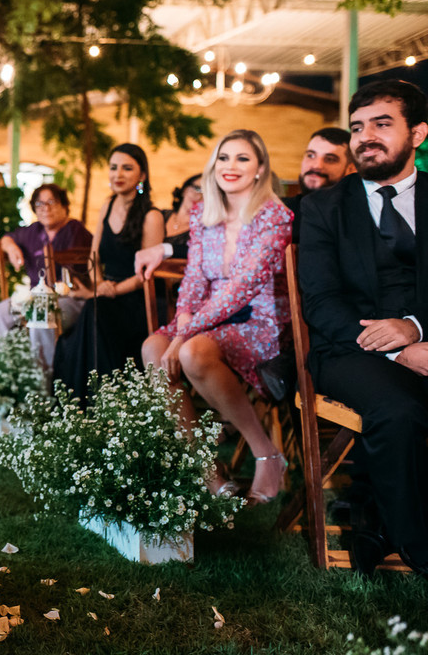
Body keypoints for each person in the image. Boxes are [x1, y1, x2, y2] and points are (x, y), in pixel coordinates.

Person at [299, 80, 428, 577]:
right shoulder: (323, 207)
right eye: (357, 127)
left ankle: (373, 518)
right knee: (399, 409)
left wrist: (415, 329)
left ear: (417, 133)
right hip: (346, 349)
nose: (365, 136)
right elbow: (322, 301)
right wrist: (397, 352)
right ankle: (417, 544)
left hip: (422, 338)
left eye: (381, 124)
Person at [142, 130, 293, 505]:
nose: (231, 166)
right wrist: (181, 323)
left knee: (190, 352)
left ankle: (267, 454)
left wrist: (184, 333)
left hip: (260, 320)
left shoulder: (275, 217)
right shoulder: (203, 214)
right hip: (209, 319)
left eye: (243, 158)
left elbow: (242, 289)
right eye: (224, 158)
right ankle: (204, 467)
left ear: (260, 169)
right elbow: (194, 278)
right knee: (152, 349)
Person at [52, 143, 165, 405]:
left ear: (142, 176)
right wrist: (99, 283)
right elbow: (94, 256)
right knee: (95, 308)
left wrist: (112, 290)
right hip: (105, 296)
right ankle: (86, 402)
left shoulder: (151, 216)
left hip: (137, 299)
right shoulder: (108, 205)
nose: (118, 174)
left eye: (127, 168)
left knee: (96, 308)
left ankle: (100, 401)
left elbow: (146, 274)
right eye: (113, 167)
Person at [0, 183, 92, 372]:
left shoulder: (75, 230)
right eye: (39, 204)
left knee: (41, 317)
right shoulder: (34, 231)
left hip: (70, 299)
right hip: (35, 297)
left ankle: (43, 384)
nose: (45, 209)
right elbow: (7, 238)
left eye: (51, 202)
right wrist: (11, 247)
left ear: (64, 206)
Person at [282, 127, 353, 242]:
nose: (316, 166)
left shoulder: (358, 218)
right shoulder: (278, 212)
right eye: (310, 155)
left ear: (350, 169)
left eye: (330, 159)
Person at [163, 174, 202, 259]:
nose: (199, 196)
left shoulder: (204, 231)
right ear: (185, 190)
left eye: (208, 193)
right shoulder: (160, 215)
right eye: (197, 188)